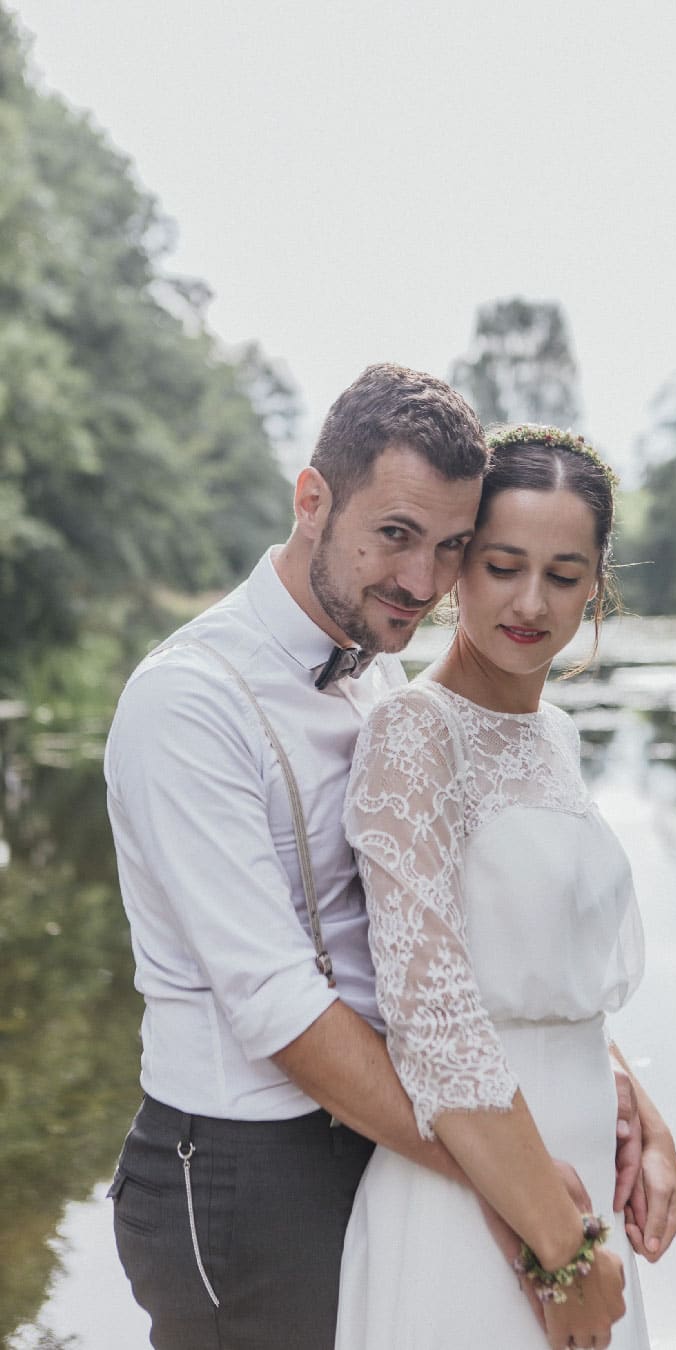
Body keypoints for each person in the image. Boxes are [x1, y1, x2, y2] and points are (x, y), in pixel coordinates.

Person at [103, 363, 491, 1349]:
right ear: (312, 500)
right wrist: (498, 1165)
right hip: (239, 1172)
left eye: (450, 548)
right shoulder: (187, 701)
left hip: (375, 1134)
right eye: (396, 535)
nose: (423, 583)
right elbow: (278, 1005)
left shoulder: (381, 671)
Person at [336, 425, 676, 1349]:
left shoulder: (556, 735)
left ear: (596, 583)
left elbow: (551, 972)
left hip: (584, 1171)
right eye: (501, 565)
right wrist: (561, 1253)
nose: (531, 602)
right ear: (458, 568)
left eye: (564, 576)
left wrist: (643, 1117)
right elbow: (434, 1020)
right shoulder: (415, 733)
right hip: (476, 1183)